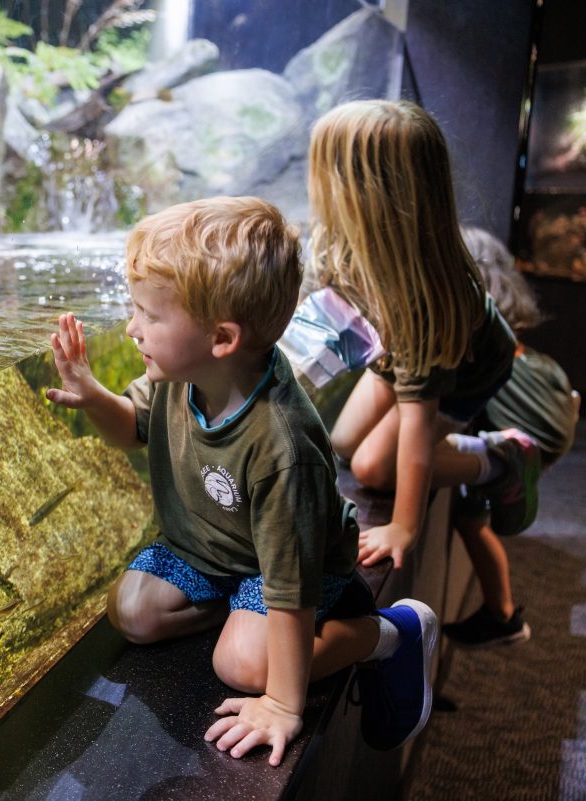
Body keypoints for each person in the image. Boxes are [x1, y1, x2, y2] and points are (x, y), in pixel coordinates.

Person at [46, 196, 437, 765]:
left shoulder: (281, 444)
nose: (132, 328)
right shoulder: (182, 375)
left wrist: (282, 702)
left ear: (221, 338)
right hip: (210, 551)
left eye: (149, 316)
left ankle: (388, 633)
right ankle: (240, 616)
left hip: (291, 567)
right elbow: (132, 428)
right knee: (132, 613)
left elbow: (290, 586)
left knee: (242, 666)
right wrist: (93, 397)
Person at [309, 100, 539, 571]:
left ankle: (500, 457)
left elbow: (418, 420)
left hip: (464, 371)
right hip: (399, 356)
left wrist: (404, 526)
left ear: (363, 193)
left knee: (374, 468)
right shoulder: (347, 245)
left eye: (327, 171)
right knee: (344, 442)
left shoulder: (422, 300)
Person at [442, 227, 580, 648]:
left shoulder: (475, 313)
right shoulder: (507, 309)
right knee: (471, 507)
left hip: (523, 419)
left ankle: (501, 612)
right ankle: (500, 613)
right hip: (551, 397)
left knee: (470, 507)